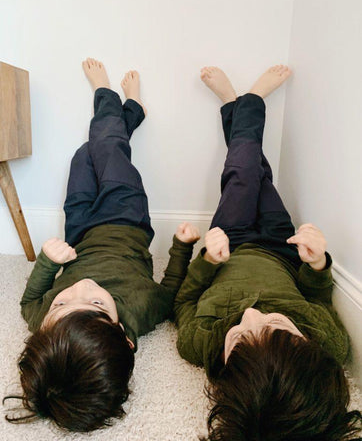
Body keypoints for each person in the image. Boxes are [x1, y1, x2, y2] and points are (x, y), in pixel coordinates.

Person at [4, 58, 196, 432]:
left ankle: (130, 116)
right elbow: (171, 292)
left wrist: (46, 261)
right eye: (95, 304)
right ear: (124, 337)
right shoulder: (141, 310)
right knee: (106, 145)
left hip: (78, 230)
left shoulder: (42, 322)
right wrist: (181, 247)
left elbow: (28, 301)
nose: (81, 288)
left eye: (61, 303)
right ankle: (107, 94)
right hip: (126, 218)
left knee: (83, 155)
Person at [172, 66, 362, 441]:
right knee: (259, 174)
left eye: (239, 336)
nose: (251, 314)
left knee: (242, 174)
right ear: (308, 345)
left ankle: (249, 100)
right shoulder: (330, 343)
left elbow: (184, 299)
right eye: (275, 324)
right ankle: (234, 106)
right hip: (282, 248)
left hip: (231, 243)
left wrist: (208, 260)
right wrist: (317, 263)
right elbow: (318, 297)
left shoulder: (199, 345)